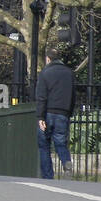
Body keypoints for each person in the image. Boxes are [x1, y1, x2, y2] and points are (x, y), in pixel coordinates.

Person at [36, 48, 75, 179]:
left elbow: (41, 96)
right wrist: (69, 112)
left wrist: (40, 117)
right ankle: (66, 162)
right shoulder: (69, 73)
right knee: (60, 142)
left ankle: (48, 176)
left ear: (48, 58)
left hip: (48, 112)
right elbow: (73, 95)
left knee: (44, 145)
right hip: (63, 113)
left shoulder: (45, 73)